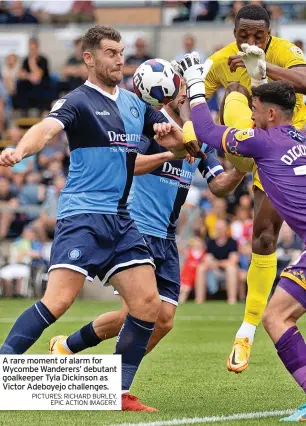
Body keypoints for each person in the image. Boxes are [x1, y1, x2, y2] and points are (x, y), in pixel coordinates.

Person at [0, 25, 186, 412]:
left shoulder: (138, 105)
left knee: (148, 304)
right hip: (83, 215)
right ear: (89, 58)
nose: (120, 58)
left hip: (121, 221)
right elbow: (46, 130)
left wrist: (171, 136)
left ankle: (118, 392)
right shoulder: (79, 101)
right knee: (58, 302)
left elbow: (171, 140)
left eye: (121, 51)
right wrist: (20, 150)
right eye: (111, 52)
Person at [49, 79, 245, 360]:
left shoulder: (199, 139)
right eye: (185, 91)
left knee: (163, 320)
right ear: (172, 95)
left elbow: (218, 186)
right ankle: (112, 380)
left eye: (195, 95)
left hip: (166, 236)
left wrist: (240, 168)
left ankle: (67, 348)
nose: (189, 98)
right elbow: (128, 163)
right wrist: (171, 153)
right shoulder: (154, 127)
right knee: (135, 313)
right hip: (137, 229)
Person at [171, 53, 306, 421]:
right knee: (278, 314)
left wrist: (197, 83)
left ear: (271, 115)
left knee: (277, 317)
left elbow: (207, 132)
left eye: (256, 110)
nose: (252, 117)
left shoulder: (262, 141)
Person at [195, 219, 239, 304]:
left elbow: (233, 260)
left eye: (221, 228)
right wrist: (219, 263)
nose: (218, 230)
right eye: (217, 228)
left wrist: (217, 263)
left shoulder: (232, 242)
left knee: (231, 269)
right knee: (201, 268)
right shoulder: (211, 242)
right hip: (214, 271)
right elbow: (208, 259)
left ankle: (232, 300)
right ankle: (199, 299)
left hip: (227, 270)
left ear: (226, 228)